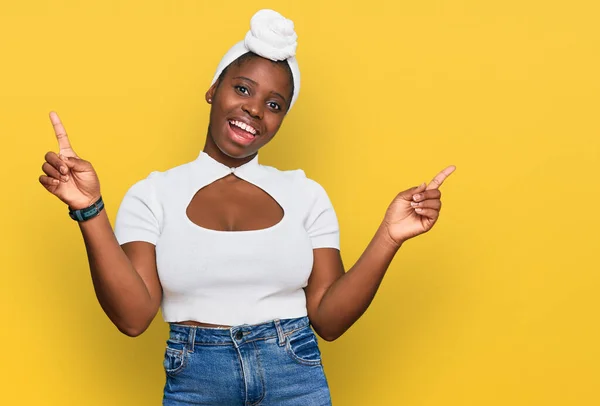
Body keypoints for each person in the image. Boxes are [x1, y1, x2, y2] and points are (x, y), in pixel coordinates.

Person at [39, 9, 456, 406]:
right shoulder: (154, 195)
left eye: (274, 105)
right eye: (242, 89)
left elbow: (329, 320)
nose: (255, 109)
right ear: (212, 90)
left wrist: (389, 236)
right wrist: (89, 209)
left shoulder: (305, 194)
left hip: (295, 375)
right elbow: (133, 318)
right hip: (196, 378)